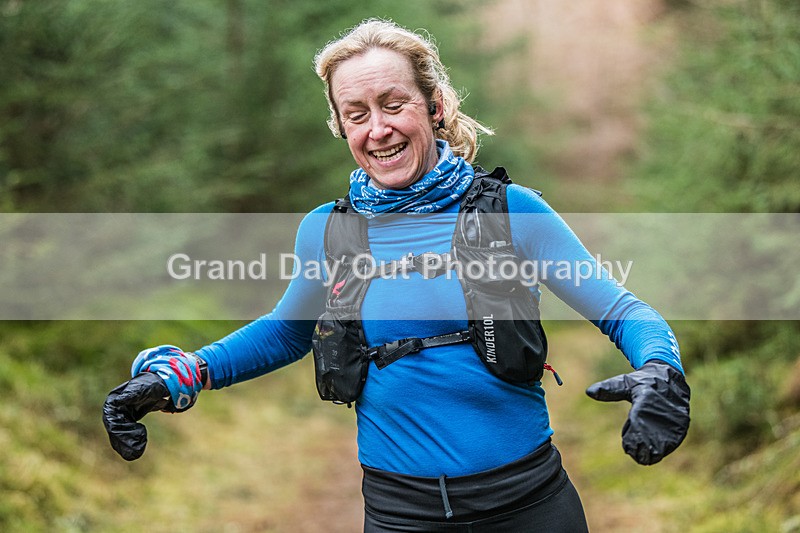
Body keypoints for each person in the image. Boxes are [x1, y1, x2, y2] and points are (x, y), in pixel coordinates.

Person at [103, 19, 690, 532]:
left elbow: (623, 311)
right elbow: (287, 331)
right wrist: (181, 375)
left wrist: (659, 367)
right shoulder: (328, 231)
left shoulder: (513, 211)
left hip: (528, 506)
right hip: (398, 515)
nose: (377, 129)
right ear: (341, 127)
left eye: (393, 104)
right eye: (356, 115)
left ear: (433, 107)